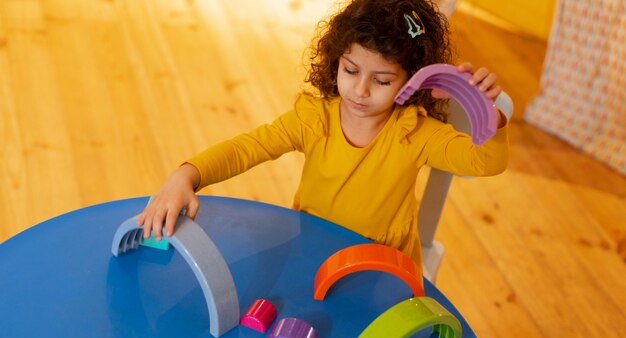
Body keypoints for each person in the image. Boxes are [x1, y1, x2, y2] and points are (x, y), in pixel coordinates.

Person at [137, 0, 508, 267]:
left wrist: (490, 118)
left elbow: (482, 162)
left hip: (384, 268)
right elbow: (247, 148)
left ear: (413, 81)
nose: (360, 90)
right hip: (312, 250)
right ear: (335, 62)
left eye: (381, 80)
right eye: (350, 70)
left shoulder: (415, 132)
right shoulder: (315, 118)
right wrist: (186, 174)